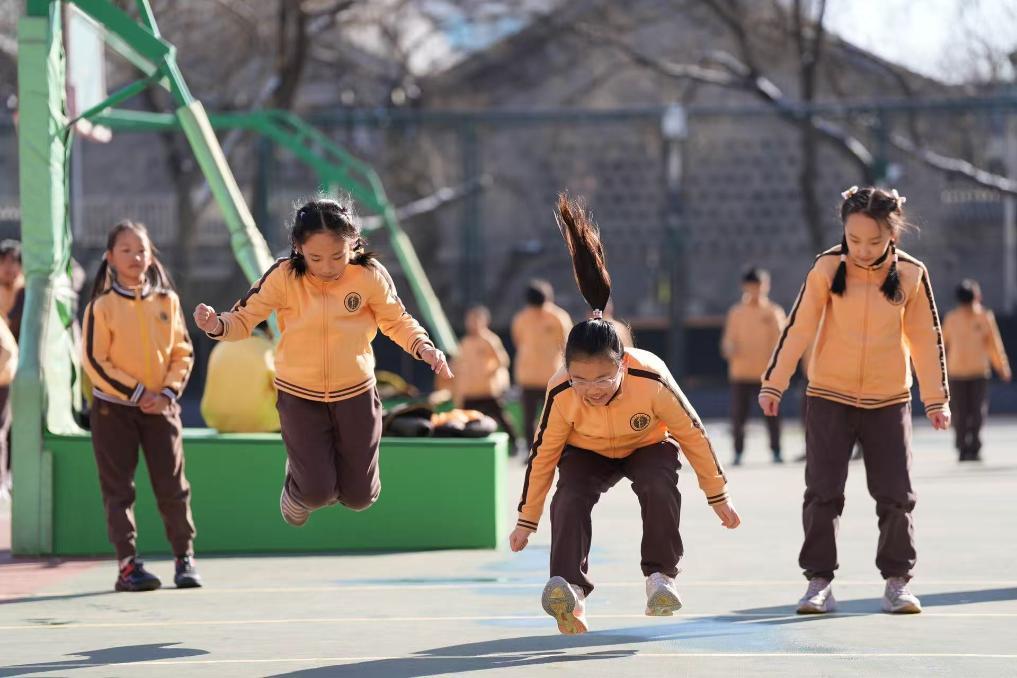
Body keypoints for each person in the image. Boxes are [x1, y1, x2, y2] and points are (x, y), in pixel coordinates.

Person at [509, 193, 739, 635]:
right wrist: (526, 520)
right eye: (581, 379)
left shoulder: (650, 377)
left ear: (623, 365)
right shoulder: (561, 390)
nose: (591, 389)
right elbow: (543, 456)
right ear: (567, 370)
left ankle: (660, 579)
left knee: (658, 482)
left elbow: (692, 434)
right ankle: (569, 590)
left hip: (644, 444)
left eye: (603, 379)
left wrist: (718, 495)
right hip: (587, 451)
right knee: (569, 496)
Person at [193, 196, 452, 528]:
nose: (327, 267)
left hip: (356, 393)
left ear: (353, 243)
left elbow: (397, 320)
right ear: (298, 248)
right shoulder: (283, 277)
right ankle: (298, 480)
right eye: (315, 257)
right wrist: (216, 324)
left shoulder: (368, 275)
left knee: (360, 498)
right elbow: (243, 318)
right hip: (299, 394)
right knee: (316, 493)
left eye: (337, 256)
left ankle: (321, 473)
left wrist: (425, 348)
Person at [759, 186, 950, 615]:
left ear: (893, 235)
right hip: (829, 396)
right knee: (822, 493)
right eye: (854, 239)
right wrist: (774, 383)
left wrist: (936, 399)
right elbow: (799, 325)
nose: (863, 250)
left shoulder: (912, 273)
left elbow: (926, 339)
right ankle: (819, 582)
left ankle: (897, 582)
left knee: (896, 495)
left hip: (889, 399)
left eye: (874, 241)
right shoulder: (828, 267)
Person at [81, 220, 200, 592]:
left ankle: (184, 559)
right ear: (110, 257)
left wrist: (166, 394)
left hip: (161, 408)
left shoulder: (167, 301)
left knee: (173, 486)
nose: (135, 256)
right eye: (126, 250)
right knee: (119, 490)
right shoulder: (101, 306)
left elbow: (183, 352)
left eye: (142, 249)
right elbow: (94, 360)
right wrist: (136, 393)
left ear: (151, 256)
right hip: (113, 411)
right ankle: (128, 566)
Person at [720, 267, 786, 464]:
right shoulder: (736, 313)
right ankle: (738, 452)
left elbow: (782, 342)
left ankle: (776, 450)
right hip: (741, 373)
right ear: (745, 287)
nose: (756, 290)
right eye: (752, 286)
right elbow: (728, 340)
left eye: (759, 286)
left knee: (772, 414)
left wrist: (778, 369)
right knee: (738, 417)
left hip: (766, 375)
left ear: (766, 286)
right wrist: (729, 348)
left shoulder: (774, 312)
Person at [942, 279, 1011, 461]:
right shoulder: (952, 318)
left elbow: (994, 345)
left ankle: (974, 446)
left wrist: (1002, 367)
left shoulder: (984, 317)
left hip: (979, 372)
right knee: (960, 412)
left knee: (977, 412)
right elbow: (941, 344)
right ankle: (962, 446)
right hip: (956, 373)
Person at [450, 305, 522, 453]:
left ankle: (515, 442)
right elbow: (458, 365)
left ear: (484, 321)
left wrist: (490, 374)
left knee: (501, 417)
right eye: (470, 320)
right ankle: (465, 448)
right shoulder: (465, 342)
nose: (472, 323)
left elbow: (503, 360)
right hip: (470, 392)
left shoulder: (490, 340)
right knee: (464, 420)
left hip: (488, 390)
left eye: (476, 320)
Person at [511, 279, 572, 446]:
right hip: (528, 377)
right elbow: (518, 341)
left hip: (552, 378)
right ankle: (532, 451)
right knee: (529, 419)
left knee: (554, 417)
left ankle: (553, 449)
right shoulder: (522, 319)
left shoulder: (558, 318)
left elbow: (567, 346)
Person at [200, 322, 281, 433]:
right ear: (268, 330)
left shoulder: (219, 347)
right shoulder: (269, 351)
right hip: (262, 423)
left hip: (218, 421)